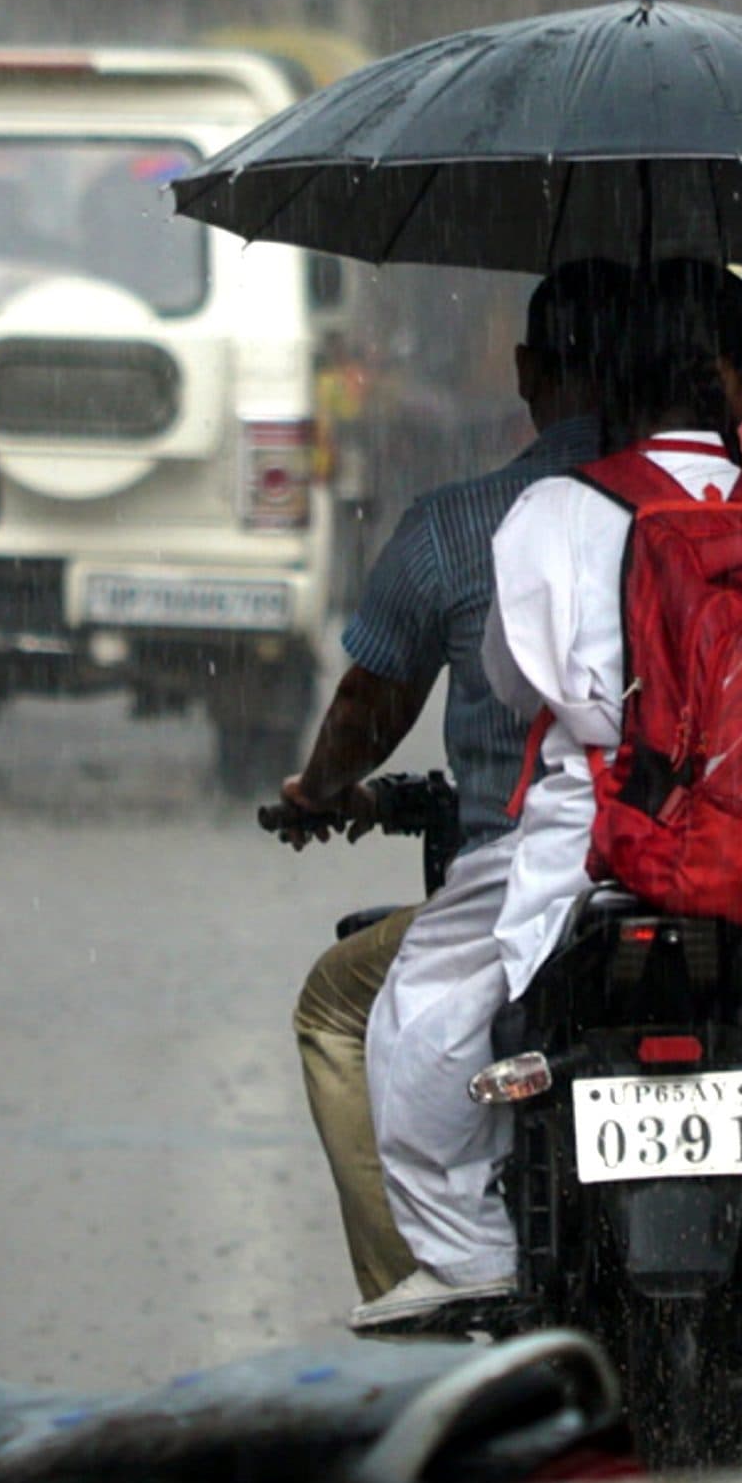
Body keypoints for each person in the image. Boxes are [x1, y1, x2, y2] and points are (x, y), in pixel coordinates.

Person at [357, 260, 742, 1326]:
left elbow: (512, 682)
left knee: (425, 1006)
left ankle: (469, 1258)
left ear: (615, 375)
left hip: (591, 845)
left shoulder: (550, 512)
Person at [279, 257, 629, 1305]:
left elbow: (367, 709)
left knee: (339, 1003)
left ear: (527, 369)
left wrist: (318, 788)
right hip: (701, 872)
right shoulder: (707, 519)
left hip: (516, 876)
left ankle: (423, 1278)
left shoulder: (462, 523)